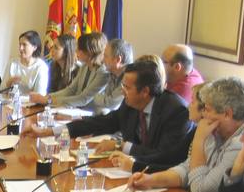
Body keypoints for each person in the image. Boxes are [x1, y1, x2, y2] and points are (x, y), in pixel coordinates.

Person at [126, 76, 244, 192]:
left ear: (227, 114)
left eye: (208, 110)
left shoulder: (241, 143)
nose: (204, 114)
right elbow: (186, 169)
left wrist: (199, 140)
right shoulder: (216, 131)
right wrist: (151, 180)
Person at [61, 62, 191, 172]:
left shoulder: (176, 111)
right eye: (122, 85)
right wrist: (59, 130)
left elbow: (164, 155)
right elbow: (104, 122)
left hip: (159, 177)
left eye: (127, 87)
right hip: (129, 172)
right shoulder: (131, 103)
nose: (122, 91)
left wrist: (121, 146)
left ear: (145, 91)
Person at [32, 31, 107, 108]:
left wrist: (49, 100)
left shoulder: (102, 72)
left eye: (79, 49)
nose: (76, 51)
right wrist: (47, 97)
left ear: (88, 52)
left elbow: (83, 99)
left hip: (94, 115)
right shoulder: (84, 67)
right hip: (76, 111)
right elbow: (70, 90)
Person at [1, 30, 49, 96]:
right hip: (9, 103)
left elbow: (40, 95)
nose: (21, 48)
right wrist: (10, 82)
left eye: (24, 45)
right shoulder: (12, 62)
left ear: (34, 47)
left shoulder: (41, 67)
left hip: (31, 105)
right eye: (20, 44)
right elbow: (1, 90)